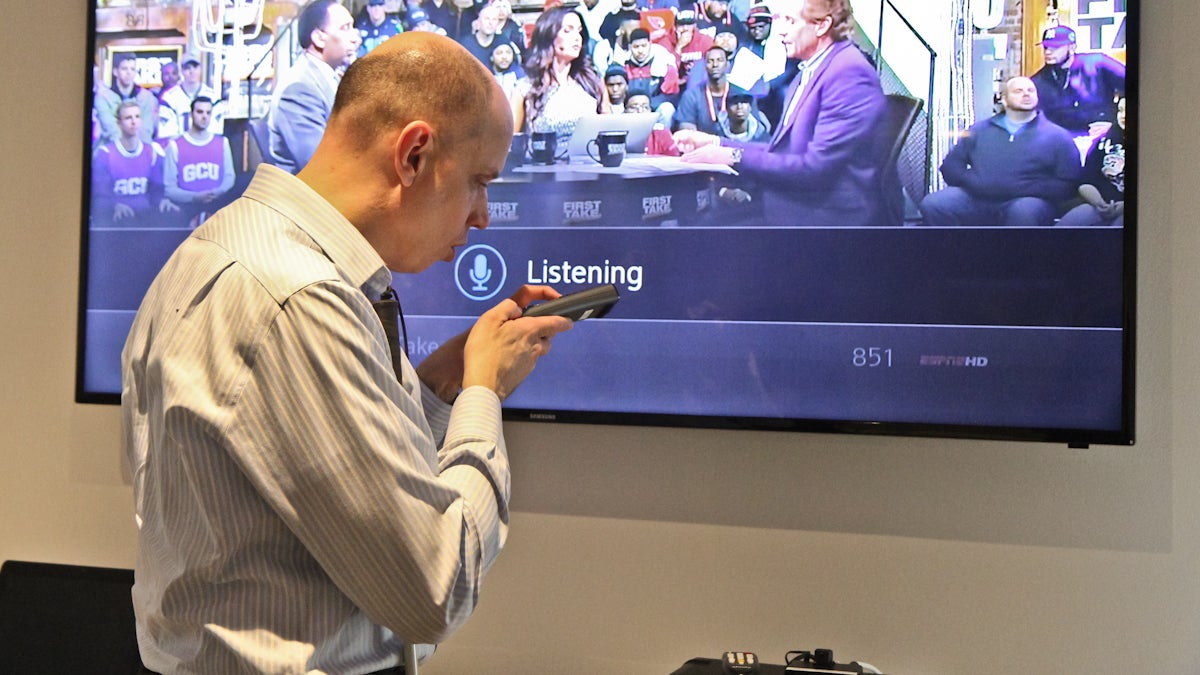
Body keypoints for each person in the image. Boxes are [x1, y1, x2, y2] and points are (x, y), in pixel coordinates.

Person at [122, 32, 574, 674]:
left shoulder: (223, 247)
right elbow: (435, 588)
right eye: (478, 182)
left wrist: (436, 388)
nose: (484, 217)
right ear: (414, 153)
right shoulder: (299, 298)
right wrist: (481, 394)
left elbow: (288, 495)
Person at [674, 0, 886, 227]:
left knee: (702, 233)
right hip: (794, 204)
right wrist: (716, 142)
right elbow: (785, 152)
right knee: (698, 223)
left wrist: (731, 156)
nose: (780, 30)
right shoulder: (810, 70)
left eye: (790, 21)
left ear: (822, 25)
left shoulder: (848, 73)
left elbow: (814, 170)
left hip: (825, 219)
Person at [919, 76, 1082, 227]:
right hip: (976, 197)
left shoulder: (1057, 136)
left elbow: (1068, 183)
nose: (1026, 94)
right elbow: (950, 167)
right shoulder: (980, 130)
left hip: (1026, 201)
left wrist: (1020, 188)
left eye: (1031, 91)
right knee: (934, 204)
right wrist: (976, 183)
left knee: (1023, 213)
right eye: (1018, 91)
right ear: (1004, 99)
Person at [268, 0, 361, 174]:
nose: (355, 38)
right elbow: (322, 167)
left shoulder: (333, 77)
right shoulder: (298, 90)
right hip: (312, 198)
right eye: (345, 28)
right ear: (319, 37)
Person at [513, 6, 607, 151]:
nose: (577, 37)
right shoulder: (525, 88)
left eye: (579, 31)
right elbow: (509, 143)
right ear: (548, 35)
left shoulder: (593, 82)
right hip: (543, 169)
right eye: (567, 30)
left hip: (589, 167)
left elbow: (611, 132)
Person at [91, 99, 176, 227]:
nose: (133, 121)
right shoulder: (106, 153)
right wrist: (114, 205)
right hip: (118, 217)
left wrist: (162, 201)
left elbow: (156, 190)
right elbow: (101, 195)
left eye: (137, 117)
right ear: (119, 123)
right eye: (128, 118)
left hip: (146, 215)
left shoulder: (152, 151)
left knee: (170, 215)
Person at [1029, 25, 1125, 138]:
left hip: (1103, 137)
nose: (1048, 52)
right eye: (1046, 47)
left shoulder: (1098, 63)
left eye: (1055, 48)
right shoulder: (1037, 81)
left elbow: (1136, 87)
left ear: (1071, 47)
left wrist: (1114, 125)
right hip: (1062, 142)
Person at [163, 96, 236, 226]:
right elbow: (169, 188)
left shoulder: (222, 143)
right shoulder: (175, 146)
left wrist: (215, 193)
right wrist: (194, 197)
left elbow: (229, 178)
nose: (204, 117)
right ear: (191, 114)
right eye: (200, 112)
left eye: (208, 113)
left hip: (217, 209)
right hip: (186, 212)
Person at [1059, 95, 1126, 227]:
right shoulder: (1104, 141)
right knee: (1063, 228)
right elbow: (1085, 182)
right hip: (1099, 204)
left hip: (1138, 209)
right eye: (1120, 110)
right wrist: (1098, 202)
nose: (1123, 115)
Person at [94, 53, 160, 147]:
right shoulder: (103, 98)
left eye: (132, 69)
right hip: (112, 150)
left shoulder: (147, 98)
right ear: (115, 71)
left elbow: (146, 129)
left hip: (141, 150)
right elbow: (111, 130)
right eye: (124, 69)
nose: (129, 73)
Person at [160, 54, 220, 140]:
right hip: (180, 149)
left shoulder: (213, 97)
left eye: (195, 67)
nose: (192, 71)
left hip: (206, 148)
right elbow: (167, 135)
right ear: (181, 71)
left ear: (200, 69)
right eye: (188, 68)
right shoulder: (169, 97)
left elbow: (215, 133)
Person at [674, 45, 732, 134]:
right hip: (704, 146)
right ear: (704, 65)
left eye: (719, 60)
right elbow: (687, 134)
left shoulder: (740, 95)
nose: (715, 65)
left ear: (727, 64)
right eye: (710, 61)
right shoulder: (691, 96)